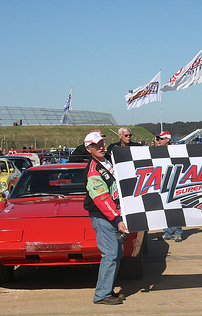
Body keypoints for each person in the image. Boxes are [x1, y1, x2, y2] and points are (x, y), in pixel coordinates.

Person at [83, 130, 129, 305]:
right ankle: (102, 295)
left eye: (102, 143)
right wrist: (117, 219)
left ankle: (107, 289)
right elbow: (102, 199)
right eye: (96, 145)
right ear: (89, 149)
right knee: (110, 254)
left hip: (114, 214)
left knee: (116, 253)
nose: (101, 147)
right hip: (103, 216)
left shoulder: (108, 160)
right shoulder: (93, 170)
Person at [157, 131, 183, 242]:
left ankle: (177, 232)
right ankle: (167, 231)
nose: (158, 141)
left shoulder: (176, 150)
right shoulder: (154, 151)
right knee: (164, 207)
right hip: (161, 181)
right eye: (158, 139)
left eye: (161, 139)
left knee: (176, 207)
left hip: (174, 181)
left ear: (168, 140)